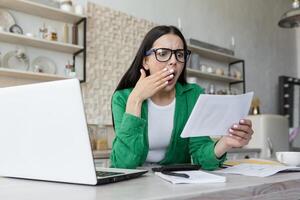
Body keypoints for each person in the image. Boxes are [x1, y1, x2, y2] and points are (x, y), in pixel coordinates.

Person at [110, 25, 253, 170]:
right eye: (163, 53)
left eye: (179, 54)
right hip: (137, 187)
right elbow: (122, 164)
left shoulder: (193, 95)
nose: (173, 61)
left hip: (178, 184)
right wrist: (136, 99)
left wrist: (226, 142)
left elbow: (201, 155)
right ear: (146, 61)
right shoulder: (122, 98)